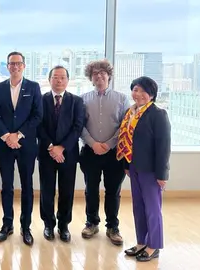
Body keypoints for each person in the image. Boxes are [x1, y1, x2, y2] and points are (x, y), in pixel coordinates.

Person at [0, 51, 43, 246]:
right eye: (11, 64)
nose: (15, 66)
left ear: (24, 65)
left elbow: (38, 116)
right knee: (7, 186)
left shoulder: (33, 87)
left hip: (26, 144)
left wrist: (18, 135)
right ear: (7, 66)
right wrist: (6, 136)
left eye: (18, 63)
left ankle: (26, 226)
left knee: (27, 186)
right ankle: (7, 225)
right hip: (5, 145)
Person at [118, 76, 171, 262]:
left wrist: (162, 174)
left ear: (152, 94)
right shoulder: (130, 112)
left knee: (153, 209)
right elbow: (126, 140)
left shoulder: (158, 114)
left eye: (142, 91)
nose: (138, 94)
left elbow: (164, 146)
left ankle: (154, 245)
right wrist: (126, 165)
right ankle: (142, 242)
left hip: (151, 171)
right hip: (133, 167)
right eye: (135, 90)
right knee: (138, 207)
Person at [80, 59, 130, 246]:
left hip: (114, 153)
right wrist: (93, 143)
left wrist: (109, 144)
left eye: (102, 73)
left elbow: (124, 126)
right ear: (90, 78)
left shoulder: (122, 98)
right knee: (91, 189)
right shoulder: (83, 99)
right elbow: (80, 126)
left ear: (109, 76)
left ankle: (112, 227)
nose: (99, 76)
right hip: (90, 152)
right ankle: (91, 223)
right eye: (95, 74)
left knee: (113, 191)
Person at [37, 66, 85, 242]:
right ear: (49, 80)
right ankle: (48, 224)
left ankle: (64, 225)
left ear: (68, 80)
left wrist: (62, 147)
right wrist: (51, 147)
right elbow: (38, 126)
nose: (59, 81)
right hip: (46, 153)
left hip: (68, 154)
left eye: (62, 77)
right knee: (47, 190)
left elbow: (78, 127)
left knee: (67, 191)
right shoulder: (41, 100)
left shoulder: (76, 101)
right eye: (55, 77)